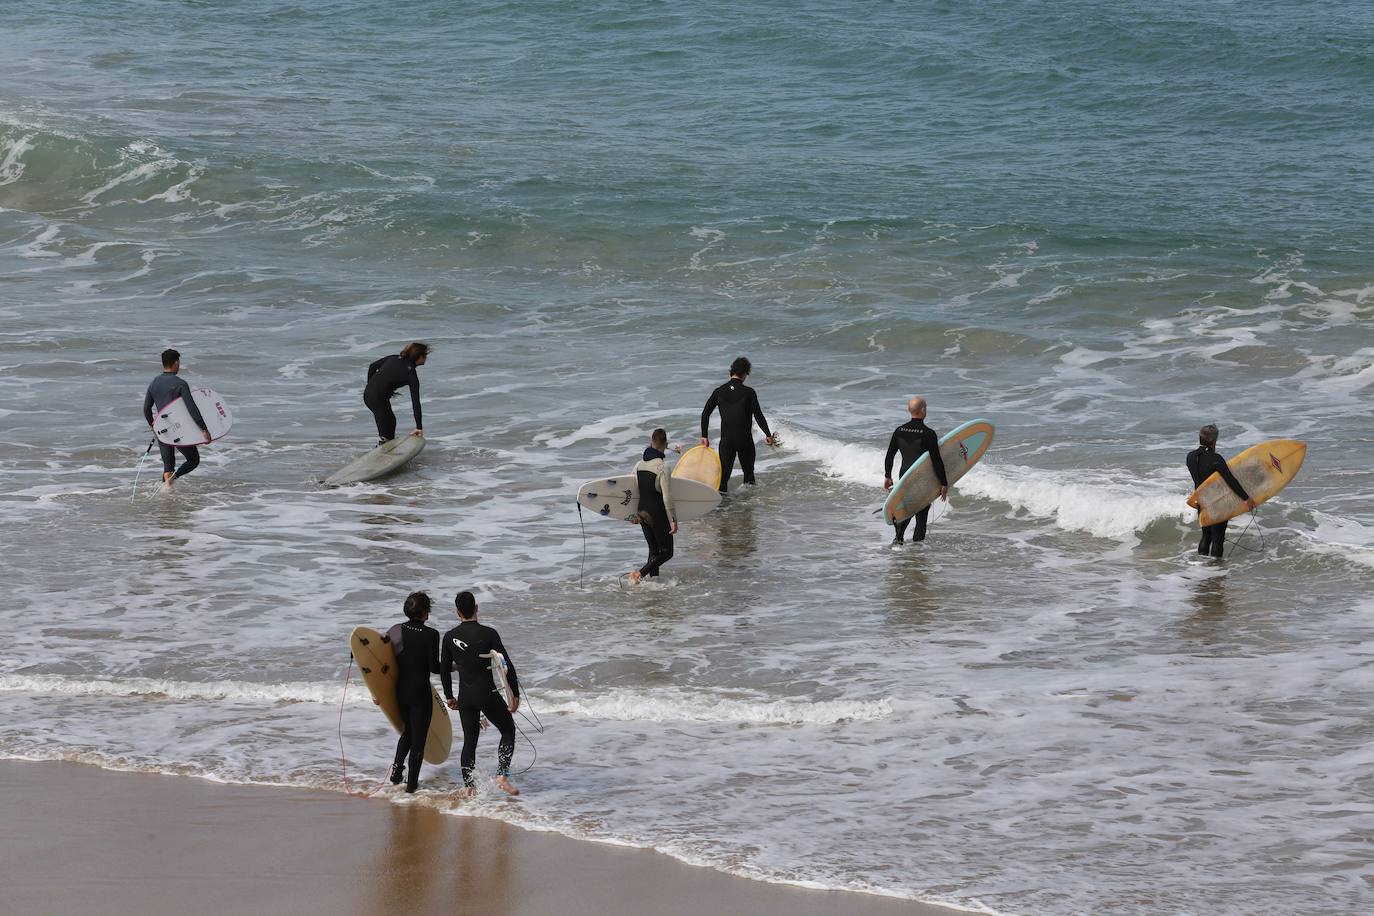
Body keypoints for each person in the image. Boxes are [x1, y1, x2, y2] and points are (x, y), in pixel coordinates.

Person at [441, 592, 521, 798]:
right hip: (487, 693)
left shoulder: (449, 637)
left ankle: (469, 787)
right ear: (476, 608)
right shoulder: (489, 633)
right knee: (508, 730)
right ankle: (502, 776)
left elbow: (443, 670)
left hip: (466, 697)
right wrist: (515, 695)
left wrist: (449, 696)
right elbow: (506, 665)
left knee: (470, 740)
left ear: (457, 612)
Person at [386, 591, 441, 793]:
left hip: (400, 691)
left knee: (408, 731)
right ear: (425, 612)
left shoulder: (395, 631)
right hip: (420, 694)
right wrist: (456, 666)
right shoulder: (431, 635)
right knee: (418, 740)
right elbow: (435, 667)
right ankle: (410, 787)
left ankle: (397, 771)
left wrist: (378, 692)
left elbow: (381, 662)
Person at [699, 357, 775, 492]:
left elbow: (705, 413)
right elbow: (758, 415)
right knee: (749, 477)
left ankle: (722, 510)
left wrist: (704, 435)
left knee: (723, 480)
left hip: (726, 441)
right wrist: (768, 434)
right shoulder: (749, 392)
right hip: (744, 441)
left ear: (732, 371)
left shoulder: (719, 391)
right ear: (745, 373)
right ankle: (747, 509)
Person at [882, 397, 948, 545]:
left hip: (904, 475)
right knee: (922, 511)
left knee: (907, 508)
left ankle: (898, 538)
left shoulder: (899, 431)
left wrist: (888, 476)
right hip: (922, 478)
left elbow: (889, 456)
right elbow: (936, 460)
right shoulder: (928, 433)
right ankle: (918, 551)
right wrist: (944, 483)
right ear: (923, 410)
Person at [142, 348, 211, 490]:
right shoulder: (180, 383)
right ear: (176, 362)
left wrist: (153, 426)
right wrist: (204, 429)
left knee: (168, 468)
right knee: (193, 460)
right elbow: (192, 408)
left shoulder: (154, 383)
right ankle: (174, 479)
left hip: (163, 430)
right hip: (180, 430)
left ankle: (166, 499)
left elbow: (146, 409)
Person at [1187, 424, 1256, 559]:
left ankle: (1201, 568)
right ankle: (1215, 573)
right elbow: (1231, 481)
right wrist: (1246, 499)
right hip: (1217, 502)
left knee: (1206, 535)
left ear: (1200, 438)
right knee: (1218, 538)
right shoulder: (1216, 459)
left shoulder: (1190, 457)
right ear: (1214, 441)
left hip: (1202, 500)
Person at [628, 428, 678, 585]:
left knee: (654, 551)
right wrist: (673, 520)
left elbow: (633, 489)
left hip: (642, 512)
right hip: (656, 514)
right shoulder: (663, 468)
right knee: (667, 553)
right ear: (665, 444)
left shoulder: (639, 465)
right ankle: (639, 574)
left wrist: (631, 514)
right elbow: (667, 497)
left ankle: (653, 583)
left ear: (651, 442)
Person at [364, 342, 429, 446]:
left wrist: (371, 385)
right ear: (420, 356)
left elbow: (372, 367)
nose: (426, 358)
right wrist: (419, 427)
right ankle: (382, 453)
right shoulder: (411, 375)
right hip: (378, 399)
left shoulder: (393, 358)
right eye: (426, 355)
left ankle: (384, 448)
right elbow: (415, 402)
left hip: (368, 395)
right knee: (386, 429)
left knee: (390, 422)